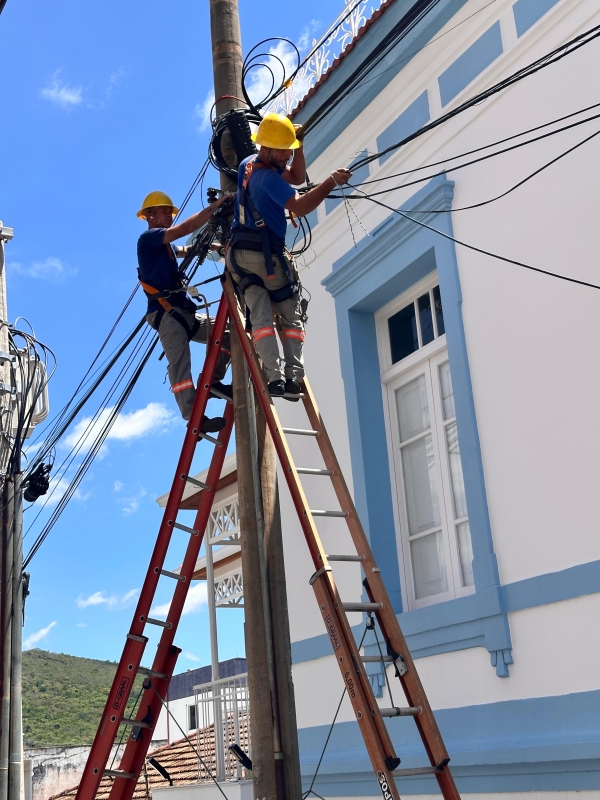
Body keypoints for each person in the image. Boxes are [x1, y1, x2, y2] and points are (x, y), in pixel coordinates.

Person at [226, 113, 352, 400]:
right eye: (283, 151)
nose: (287, 156)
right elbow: (301, 204)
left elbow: (295, 176)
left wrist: (298, 146)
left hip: (240, 258)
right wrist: (331, 181)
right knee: (289, 315)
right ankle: (293, 379)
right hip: (266, 256)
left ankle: (274, 379)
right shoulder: (268, 179)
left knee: (260, 317)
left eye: (289, 150)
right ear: (267, 149)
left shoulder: (249, 163)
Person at [136, 191, 232, 431]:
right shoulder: (148, 238)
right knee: (180, 364)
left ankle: (214, 382)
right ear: (149, 216)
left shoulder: (165, 247)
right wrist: (215, 207)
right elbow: (182, 231)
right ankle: (194, 417)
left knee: (228, 334)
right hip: (166, 313)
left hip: (183, 310)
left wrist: (217, 247)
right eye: (164, 212)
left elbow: (184, 250)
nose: (169, 216)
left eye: (170, 212)